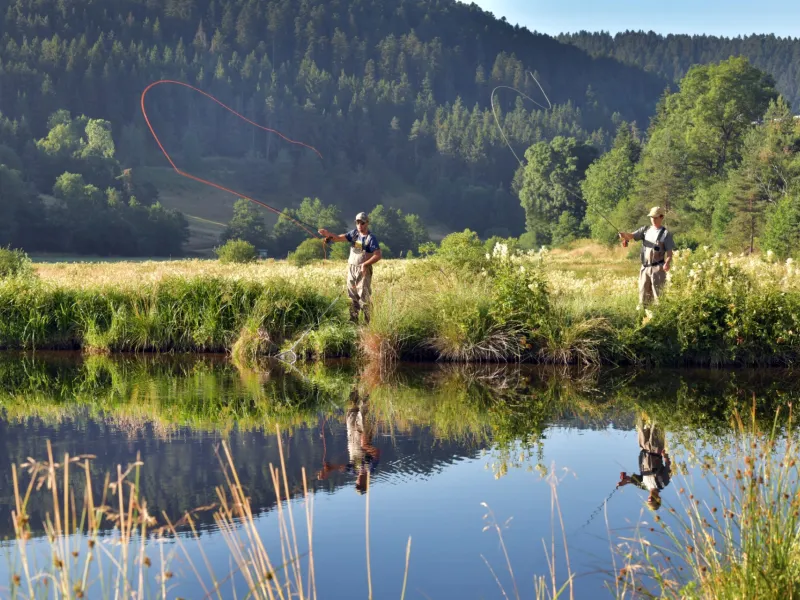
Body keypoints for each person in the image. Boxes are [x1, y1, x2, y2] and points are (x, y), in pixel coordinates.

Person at [319, 212, 382, 324]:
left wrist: (365, 264)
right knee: (351, 296)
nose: (360, 225)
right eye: (357, 222)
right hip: (351, 269)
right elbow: (338, 238)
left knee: (364, 297)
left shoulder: (371, 238)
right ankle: (353, 321)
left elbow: (378, 255)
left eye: (362, 223)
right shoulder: (354, 234)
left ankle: (368, 324)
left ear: (367, 223)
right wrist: (328, 234)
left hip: (364, 270)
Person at [317, 390, 381, 494]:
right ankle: (369, 381)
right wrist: (365, 446)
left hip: (351, 432)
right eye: (361, 485)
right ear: (366, 484)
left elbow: (341, 467)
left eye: (357, 485)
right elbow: (377, 453)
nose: (358, 483)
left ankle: (353, 382)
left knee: (352, 404)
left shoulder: (354, 471)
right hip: (362, 432)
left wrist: (329, 469)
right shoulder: (370, 469)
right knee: (363, 407)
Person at [618, 206, 675, 308]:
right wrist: (624, 235)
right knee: (643, 296)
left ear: (661, 217)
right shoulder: (645, 230)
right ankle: (643, 318)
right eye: (651, 217)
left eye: (655, 217)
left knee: (659, 297)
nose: (653, 219)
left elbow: (670, 254)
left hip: (658, 268)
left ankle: (659, 318)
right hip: (644, 268)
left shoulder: (666, 234)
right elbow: (631, 236)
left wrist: (667, 263)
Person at [617, 418, 671, 511]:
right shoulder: (663, 483)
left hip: (643, 448)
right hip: (656, 448)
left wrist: (624, 482)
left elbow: (631, 480)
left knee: (640, 420)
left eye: (649, 501)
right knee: (657, 420)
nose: (650, 499)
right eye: (653, 501)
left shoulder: (643, 486)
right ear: (658, 499)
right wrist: (665, 455)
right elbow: (668, 465)